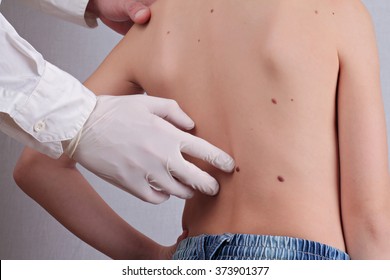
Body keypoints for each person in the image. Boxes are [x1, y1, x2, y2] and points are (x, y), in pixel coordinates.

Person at [13, 0, 390, 260]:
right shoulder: (335, 12)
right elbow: (370, 223)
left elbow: (36, 166)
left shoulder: (155, 25)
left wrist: (154, 258)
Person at [0, 0, 235, 204]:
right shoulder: (163, 24)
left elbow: (37, 166)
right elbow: (38, 166)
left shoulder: (162, 27)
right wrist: (83, 120)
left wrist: (148, 255)